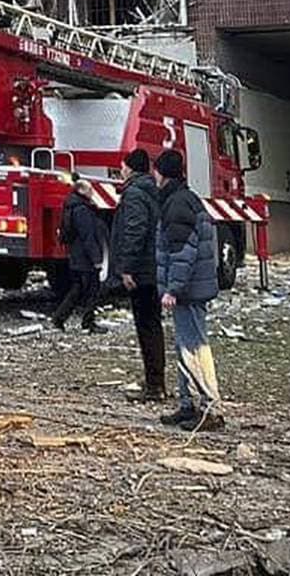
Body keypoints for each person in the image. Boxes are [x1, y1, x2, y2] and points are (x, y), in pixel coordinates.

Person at [155, 148, 222, 433]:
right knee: (185, 345)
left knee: (194, 347)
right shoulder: (186, 198)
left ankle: (210, 408)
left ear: (162, 173)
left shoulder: (177, 204)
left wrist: (173, 288)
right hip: (194, 287)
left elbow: (182, 251)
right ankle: (188, 404)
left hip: (188, 291)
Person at [111, 147, 167, 402]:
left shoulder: (134, 194)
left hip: (142, 271)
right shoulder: (152, 190)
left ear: (130, 168)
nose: (121, 170)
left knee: (146, 326)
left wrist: (127, 267)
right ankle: (156, 379)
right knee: (153, 324)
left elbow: (135, 230)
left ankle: (154, 384)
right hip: (153, 267)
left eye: (123, 166)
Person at [51, 177, 107, 333]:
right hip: (85, 257)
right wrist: (96, 258)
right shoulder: (82, 209)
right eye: (89, 189)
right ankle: (87, 321)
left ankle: (59, 318)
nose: (92, 192)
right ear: (81, 190)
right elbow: (88, 235)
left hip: (77, 255)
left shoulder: (72, 206)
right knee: (92, 289)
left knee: (78, 288)